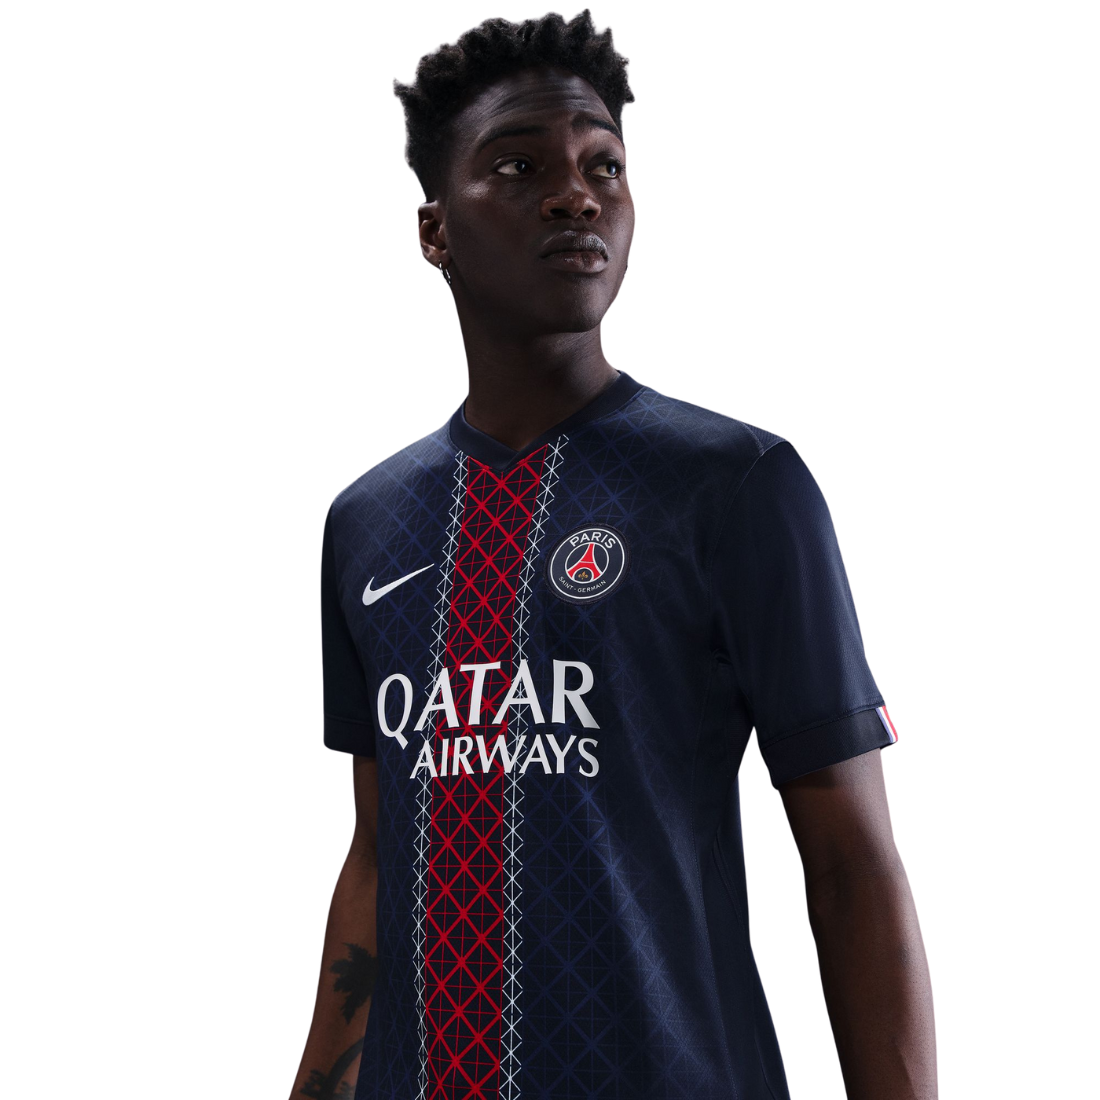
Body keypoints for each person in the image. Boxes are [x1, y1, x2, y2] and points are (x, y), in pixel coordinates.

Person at [287, 11, 937, 1099]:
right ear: (435, 231)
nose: (576, 196)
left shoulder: (735, 485)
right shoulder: (367, 524)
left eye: (604, 168)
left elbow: (850, 858)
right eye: (519, 167)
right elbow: (377, 855)